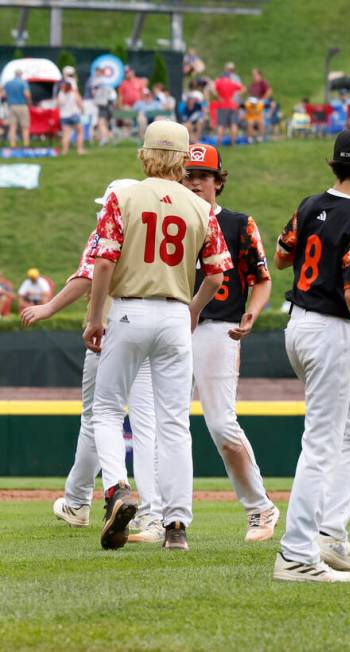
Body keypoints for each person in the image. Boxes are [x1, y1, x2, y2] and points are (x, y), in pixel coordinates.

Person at [83, 120, 232, 552]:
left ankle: (116, 490)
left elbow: (105, 261)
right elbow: (218, 272)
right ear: (184, 160)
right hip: (174, 315)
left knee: (107, 411)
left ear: (144, 154)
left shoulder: (122, 195)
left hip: (129, 309)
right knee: (174, 425)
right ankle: (177, 525)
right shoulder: (199, 206)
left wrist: (95, 316)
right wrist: (193, 311)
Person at [272, 128, 350, 583]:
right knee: (322, 446)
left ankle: (328, 534)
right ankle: (295, 554)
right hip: (328, 332)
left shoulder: (310, 204)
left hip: (298, 326)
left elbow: (282, 256)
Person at [20, 179, 164, 543]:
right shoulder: (157, 228)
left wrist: (51, 307)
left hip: (113, 331)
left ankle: (79, 501)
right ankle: (153, 513)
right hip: (157, 331)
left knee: (97, 418)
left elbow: (89, 274)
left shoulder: (108, 227)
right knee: (148, 425)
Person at [182, 144, 279, 542]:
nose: (196, 182)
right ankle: (158, 515)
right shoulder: (170, 220)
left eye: (204, 176)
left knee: (221, 423)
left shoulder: (239, 224)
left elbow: (262, 279)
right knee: (160, 423)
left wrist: (251, 314)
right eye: (189, 175)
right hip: (172, 326)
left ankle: (260, 507)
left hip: (218, 327)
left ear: (219, 182)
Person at [214, 62, 245, 146]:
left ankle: (219, 143)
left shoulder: (219, 82)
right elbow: (243, 88)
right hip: (232, 105)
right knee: (233, 124)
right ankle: (233, 142)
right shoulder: (232, 83)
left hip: (222, 105)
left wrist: (218, 97)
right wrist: (235, 95)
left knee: (221, 125)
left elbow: (212, 88)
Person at [3, 68, 31, 148]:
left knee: (12, 127)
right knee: (25, 127)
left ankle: (13, 146)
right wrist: (29, 102)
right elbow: (26, 94)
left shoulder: (8, 83)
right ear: (21, 74)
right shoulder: (23, 82)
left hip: (11, 106)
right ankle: (26, 145)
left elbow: (4, 94)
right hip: (22, 105)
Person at [57, 80, 85, 155]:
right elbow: (79, 102)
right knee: (80, 133)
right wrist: (82, 110)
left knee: (66, 134)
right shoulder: (74, 93)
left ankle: (64, 151)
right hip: (74, 114)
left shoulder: (60, 93)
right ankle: (80, 150)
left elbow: (58, 105)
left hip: (64, 116)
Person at [91, 66, 116, 146]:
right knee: (103, 123)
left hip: (103, 104)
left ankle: (104, 139)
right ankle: (104, 138)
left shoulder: (98, 81)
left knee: (101, 123)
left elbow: (94, 92)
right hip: (109, 104)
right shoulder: (108, 81)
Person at [247, 68, 272, 142]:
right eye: (253, 75)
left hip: (259, 104)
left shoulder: (263, 83)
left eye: (255, 74)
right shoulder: (253, 84)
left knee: (260, 121)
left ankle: (260, 137)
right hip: (252, 104)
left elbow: (269, 91)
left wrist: (262, 100)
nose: (254, 76)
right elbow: (250, 93)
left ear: (259, 75)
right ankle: (250, 138)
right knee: (250, 122)